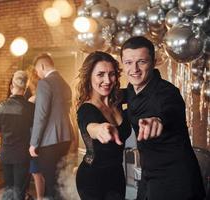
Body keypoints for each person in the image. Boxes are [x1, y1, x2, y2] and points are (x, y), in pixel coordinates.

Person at [121, 36, 206, 200]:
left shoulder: (167, 93)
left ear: (154, 62)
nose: (135, 69)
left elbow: (169, 111)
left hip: (176, 179)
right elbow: (125, 95)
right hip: (149, 174)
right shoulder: (132, 89)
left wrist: (157, 120)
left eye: (142, 62)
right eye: (128, 62)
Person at [75, 51, 131, 200]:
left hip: (117, 174)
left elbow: (142, 91)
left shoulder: (118, 99)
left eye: (111, 74)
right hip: (92, 179)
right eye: (100, 74)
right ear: (89, 77)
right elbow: (90, 125)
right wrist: (99, 129)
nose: (107, 80)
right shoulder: (86, 109)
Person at [29, 53, 73, 199]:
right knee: (61, 181)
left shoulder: (45, 83)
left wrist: (34, 143)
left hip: (49, 141)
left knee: (51, 183)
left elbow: (41, 115)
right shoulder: (65, 83)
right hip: (66, 137)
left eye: (37, 70)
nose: (38, 74)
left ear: (42, 66)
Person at [0, 70, 34, 200]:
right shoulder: (30, 108)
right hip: (22, 154)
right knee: (19, 190)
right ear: (26, 87)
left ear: (11, 86)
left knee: (8, 189)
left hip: (6, 153)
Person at [25, 66, 45, 200]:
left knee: (36, 172)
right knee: (40, 172)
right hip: (44, 137)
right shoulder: (44, 96)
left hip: (36, 137)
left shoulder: (33, 100)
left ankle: (40, 198)